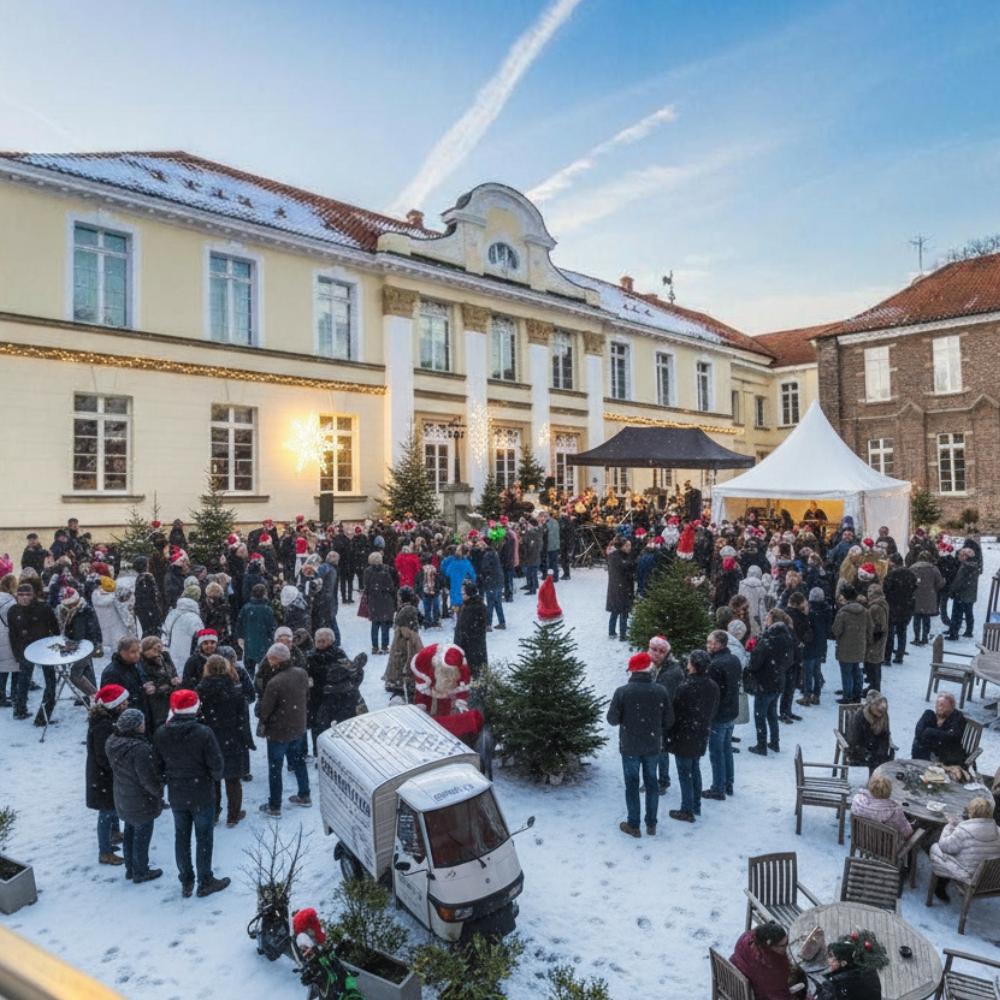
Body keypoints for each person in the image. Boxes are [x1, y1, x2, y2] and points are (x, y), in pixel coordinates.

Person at [152, 688, 230, 898]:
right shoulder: (203, 733)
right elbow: (216, 764)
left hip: (177, 793)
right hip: (201, 792)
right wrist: (211, 777)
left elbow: (157, 766)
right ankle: (205, 880)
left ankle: (186, 879)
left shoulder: (161, 733)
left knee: (181, 836)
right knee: (204, 837)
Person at [606, 651, 673, 838]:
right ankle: (651, 823)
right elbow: (669, 720)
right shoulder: (660, 691)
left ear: (633, 671)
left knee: (632, 784)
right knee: (652, 783)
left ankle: (633, 824)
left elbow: (612, 719)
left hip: (630, 747)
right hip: (652, 746)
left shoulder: (622, 692)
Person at [105, 707, 164, 883]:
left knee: (130, 831)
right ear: (136, 727)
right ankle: (141, 871)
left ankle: (130, 867)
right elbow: (147, 779)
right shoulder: (140, 749)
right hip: (140, 800)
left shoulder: (112, 742)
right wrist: (159, 793)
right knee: (142, 836)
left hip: (123, 796)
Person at [665, 649, 720, 823]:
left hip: (684, 736)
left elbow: (676, 712)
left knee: (685, 773)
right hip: (700, 733)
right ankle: (695, 805)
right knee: (694, 769)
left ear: (693, 666)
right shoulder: (712, 686)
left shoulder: (685, 687)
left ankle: (687, 809)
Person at [258, 642, 311, 816]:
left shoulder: (274, 683)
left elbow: (265, 711)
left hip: (278, 733)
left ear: (274, 660)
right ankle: (304, 794)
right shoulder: (301, 674)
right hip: (298, 728)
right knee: (298, 762)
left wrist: (260, 714)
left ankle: (274, 805)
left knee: (275, 769)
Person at [196, 654, 248, 828]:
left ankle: (214, 813)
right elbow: (243, 718)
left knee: (213, 779)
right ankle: (233, 815)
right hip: (232, 738)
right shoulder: (234, 689)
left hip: (208, 739)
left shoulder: (200, 691)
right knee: (233, 780)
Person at [87, 684, 130, 865]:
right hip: (103, 776)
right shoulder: (104, 726)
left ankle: (114, 833)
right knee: (107, 809)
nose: (127, 703)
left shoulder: (105, 720)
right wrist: (116, 769)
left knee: (112, 805)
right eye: (124, 701)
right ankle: (105, 851)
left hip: (104, 774)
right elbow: (104, 754)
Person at [929, 796, 1000, 902]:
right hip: (989, 878)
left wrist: (950, 826)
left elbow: (945, 846)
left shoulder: (964, 831)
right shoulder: (998, 830)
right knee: (963, 850)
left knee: (936, 847)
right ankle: (941, 887)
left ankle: (939, 888)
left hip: (968, 875)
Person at [7, 581, 60, 721]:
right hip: (25, 650)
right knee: (23, 681)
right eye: (21, 595)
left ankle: (45, 713)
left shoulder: (43, 608)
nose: (24, 598)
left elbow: (55, 628)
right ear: (17, 596)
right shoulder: (13, 611)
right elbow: (12, 635)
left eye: (27, 595)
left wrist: (55, 646)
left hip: (44, 648)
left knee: (50, 681)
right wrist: (17, 654)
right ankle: (19, 709)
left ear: (33, 596)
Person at [307, 629, 365, 752]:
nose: (321, 642)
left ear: (332, 641)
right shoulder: (310, 656)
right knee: (319, 728)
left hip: (338, 699)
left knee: (339, 727)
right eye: (319, 639)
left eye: (325, 639)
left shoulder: (338, 654)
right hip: (318, 698)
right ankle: (320, 753)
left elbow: (349, 674)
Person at [746, 610, 795, 756]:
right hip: (779, 681)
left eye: (768, 618)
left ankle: (761, 745)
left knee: (760, 715)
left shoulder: (767, 642)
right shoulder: (787, 640)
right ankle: (775, 742)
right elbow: (790, 661)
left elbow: (754, 664)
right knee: (772, 713)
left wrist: (753, 652)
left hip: (765, 682)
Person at [704, 631, 741, 800]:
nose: (708, 646)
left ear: (719, 644)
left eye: (710, 643)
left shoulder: (715, 665)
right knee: (726, 750)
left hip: (719, 715)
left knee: (717, 752)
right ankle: (728, 783)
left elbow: (713, 694)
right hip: (731, 712)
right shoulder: (733, 660)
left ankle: (718, 788)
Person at [730, 922, 802, 1000]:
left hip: (731, 977)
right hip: (748, 994)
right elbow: (781, 996)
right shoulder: (770, 967)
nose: (786, 947)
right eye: (782, 946)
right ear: (769, 946)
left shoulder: (745, 939)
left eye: (787, 942)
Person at [648, 635, 683, 794]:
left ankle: (662, 781)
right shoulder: (649, 665)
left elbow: (665, 698)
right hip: (652, 715)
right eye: (653, 649)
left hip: (662, 717)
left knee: (661, 749)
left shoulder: (672, 672)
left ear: (667, 652)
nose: (656, 653)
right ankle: (654, 779)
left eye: (660, 651)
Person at [832, 585, 872, 705]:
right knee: (857, 671)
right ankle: (857, 694)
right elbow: (870, 629)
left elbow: (836, 630)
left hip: (845, 647)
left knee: (846, 673)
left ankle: (847, 696)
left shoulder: (843, 612)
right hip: (860, 647)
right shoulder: (865, 611)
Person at [383, 587, 423, 700]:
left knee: (402, 665)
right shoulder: (409, 609)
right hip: (404, 644)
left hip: (403, 645)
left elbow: (407, 634)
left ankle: (400, 686)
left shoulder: (406, 611)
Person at [101, 636, 151, 722]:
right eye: (133, 652)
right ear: (122, 652)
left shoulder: (137, 665)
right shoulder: (111, 673)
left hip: (142, 713)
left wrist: (148, 687)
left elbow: (143, 681)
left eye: (138, 652)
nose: (137, 655)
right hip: (127, 718)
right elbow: (111, 702)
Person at [235, 582, 277, 678]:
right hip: (264, 645)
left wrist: (240, 637)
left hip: (249, 645)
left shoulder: (246, 608)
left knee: (249, 672)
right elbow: (271, 628)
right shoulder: (267, 610)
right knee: (264, 671)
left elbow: (239, 624)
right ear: (264, 594)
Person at [845, 690, 893, 774]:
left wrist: (880, 753)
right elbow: (854, 741)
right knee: (870, 764)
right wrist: (868, 755)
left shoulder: (884, 717)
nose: (881, 710)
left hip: (877, 750)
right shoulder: (860, 716)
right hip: (860, 751)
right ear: (871, 706)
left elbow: (885, 736)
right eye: (877, 706)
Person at [911, 692, 967, 764]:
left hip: (947, 752)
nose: (939, 707)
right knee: (928, 714)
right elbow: (918, 733)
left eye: (942, 705)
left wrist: (930, 731)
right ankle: (918, 763)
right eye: (937, 705)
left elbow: (953, 737)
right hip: (931, 747)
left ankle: (918, 763)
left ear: (951, 706)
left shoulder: (957, 718)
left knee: (923, 741)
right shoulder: (932, 716)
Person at [851, 774, 912, 839]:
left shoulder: (857, 800)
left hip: (861, 839)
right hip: (886, 845)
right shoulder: (895, 810)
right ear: (889, 791)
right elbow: (907, 832)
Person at [882, 553, 917, 665]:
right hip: (906, 606)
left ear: (893, 562)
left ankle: (887, 657)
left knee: (890, 632)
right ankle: (899, 655)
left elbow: (886, 590)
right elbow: (914, 587)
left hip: (893, 606)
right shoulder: (911, 574)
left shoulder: (891, 575)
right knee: (902, 631)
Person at [140, 635, 179, 731]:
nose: (158, 650)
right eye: (154, 648)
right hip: (156, 702)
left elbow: (173, 673)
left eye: (159, 647)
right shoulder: (142, 664)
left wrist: (174, 680)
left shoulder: (165, 658)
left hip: (169, 697)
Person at [817, 941, 882, 1000]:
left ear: (843, 963)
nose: (828, 960)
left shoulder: (836, 983)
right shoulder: (863, 968)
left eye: (833, 959)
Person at [453, 580, 488, 681]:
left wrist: (458, 647)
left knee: (473, 675)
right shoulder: (474, 605)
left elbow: (464, 631)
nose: (462, 594)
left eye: (463, 592)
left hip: (471, 650)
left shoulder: (471, 608)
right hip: (475, 648)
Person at [363, 551, 397, 655]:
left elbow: (366, 586)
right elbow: (391, 587)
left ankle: (375, 646)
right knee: (385, 624)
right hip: (385, 600)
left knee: (375, 624)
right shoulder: (386, 572)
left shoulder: (367, 572)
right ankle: (385, 645)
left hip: (373, 600)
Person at [910, 552, 943, 647]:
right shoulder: (934, 569)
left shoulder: (913, 568)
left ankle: (916, 637)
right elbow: (940, 583)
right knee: (926, 618)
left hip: (916, 596)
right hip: (929, 596)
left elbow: (909, 580)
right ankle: (924, 638)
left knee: (916, 618)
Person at [606, 537, 635, 641]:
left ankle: (618, 632)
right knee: (620, 611)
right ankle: (617, 633)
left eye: (629, 546)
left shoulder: (627, 556)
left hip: (624, 588)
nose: (629, 548)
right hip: (618, 588)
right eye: (626, 546)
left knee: (621, 611)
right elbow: (620, 570)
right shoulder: (614, 557)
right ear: (621, 546)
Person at [862, 582, 889, 695]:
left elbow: (878, 626)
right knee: (874, 665)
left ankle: (874, 689)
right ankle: (873, 687)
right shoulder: (882, 604)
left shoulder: (876, 607)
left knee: (872, 666)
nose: (868, 594)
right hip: (878, 640)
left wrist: (870, 639)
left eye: (870, 592)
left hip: (875, 642)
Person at [947, 548, 979, 640]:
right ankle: (969, 631)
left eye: (961, 555)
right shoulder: (975, 566)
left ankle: (954, 633)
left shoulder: (964, 567)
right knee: (969, 612)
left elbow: (958, 581)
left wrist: (952, 591)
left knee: (957, 614)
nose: (959, 557)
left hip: (960, 594)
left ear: (965, 557)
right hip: (970, 594)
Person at [479, 539, 505, 631]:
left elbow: (485, 569)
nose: (480, 545)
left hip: (491, 583)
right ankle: (502, 622)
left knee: (490, 604)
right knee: (498, 603)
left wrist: (484, 578)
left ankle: (488, 624)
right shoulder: (494, 553)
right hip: (498, 581)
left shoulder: (488, 555)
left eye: (482, 544)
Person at [132, 556, 162, 637]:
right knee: (154, 630)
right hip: (150, 608)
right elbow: (154, 593)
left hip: (142, 608)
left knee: (146, 630)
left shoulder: (139, 577)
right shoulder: (148, 576)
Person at [0, 573, 18, 707]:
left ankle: (1, 696)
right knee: (15, 667)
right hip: (8, 637)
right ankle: (14, 693)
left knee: (2, 669)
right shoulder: (11, 602)